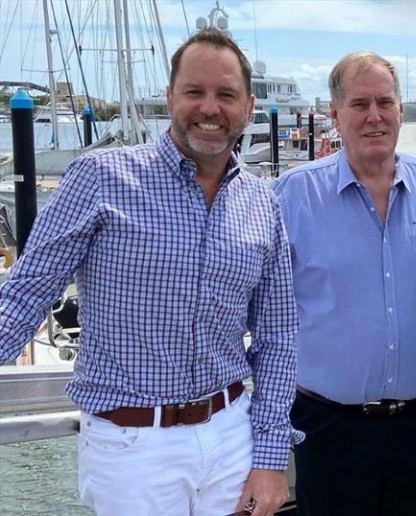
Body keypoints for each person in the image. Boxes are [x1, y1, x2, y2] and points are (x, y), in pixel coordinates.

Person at [0, 28, 300, 516]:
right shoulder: (100, 177)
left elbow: (279, 334)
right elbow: (24, 295)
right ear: (170, 97)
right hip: (131, 447)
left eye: (226, 95)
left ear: (247, 108)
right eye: (194, 92)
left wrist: (269, 458)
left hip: (230, 435)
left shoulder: (262, 199)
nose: (209, 107)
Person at [272, 51, 416, 516]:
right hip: (329, 426)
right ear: (335, 114)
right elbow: (262, 300)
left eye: (385, 102)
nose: (374, 116)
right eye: (359, 104)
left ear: (401, 109)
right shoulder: (292, 195)